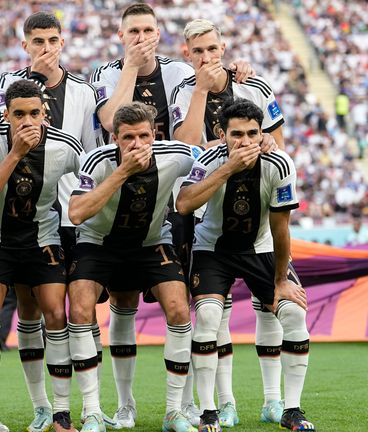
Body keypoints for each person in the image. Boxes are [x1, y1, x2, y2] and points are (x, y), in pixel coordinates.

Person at [90, 5, 253, 426]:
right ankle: (126, 404)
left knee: (199, 304)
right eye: (133, 31)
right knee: (122, 302)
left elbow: (207, 99)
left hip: (180, 199)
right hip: (126, 202)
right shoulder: (106, 74)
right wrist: (130, 66)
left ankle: (213, 400)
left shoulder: (180, 71)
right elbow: (110, 121)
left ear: (160, 33)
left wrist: (235, 72)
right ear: (120, 35)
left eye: (148, 29)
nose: (141, 37)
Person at [168, 19, 287, 427]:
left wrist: (265, 142)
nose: (206, 58)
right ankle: (222, 402)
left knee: (268, 308)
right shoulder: (183, 91)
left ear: (223, 47)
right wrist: (202, 88)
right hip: (202, 213)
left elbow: (279, 146)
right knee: (209, 314)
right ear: (187, 54)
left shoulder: (256, 85)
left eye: (212, 49)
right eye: (197, 52)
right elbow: (185, 148)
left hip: (252, 210)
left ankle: (273, 401)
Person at [0, 12, 107, 432]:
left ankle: (91, 406)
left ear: (63, 43)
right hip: (27, 215)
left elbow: (92, 155)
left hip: (71, 215)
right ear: (25, 45)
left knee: (81, 310)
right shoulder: (6, 88)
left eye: (52, 39)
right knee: (28, 310)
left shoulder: (84, 91)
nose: (46, 47)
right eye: (37, 40)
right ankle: (44, 406)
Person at [176, 98, 315, 432]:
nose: (246, 141)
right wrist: (228, 169)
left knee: (293, 312)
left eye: (253, 133)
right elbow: (184, 204)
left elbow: (281, 228)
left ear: (261, 133)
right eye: (236, 134)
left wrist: (281, 281)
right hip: (213, 249)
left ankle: (290, 409)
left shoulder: (279, 164)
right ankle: (209, 411)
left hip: (262, 247)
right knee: (209, 316)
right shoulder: (209, 159)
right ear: (221, 133)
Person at [68, 102, 198, 432]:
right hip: (99, 243)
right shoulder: (96, 161)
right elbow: (77, 213)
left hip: (151, 242)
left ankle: (174, 412)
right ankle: (95, 410)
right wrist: (123, 171)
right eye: (128, 138)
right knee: (81, 311)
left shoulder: (176, 155)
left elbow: (212, 155)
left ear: (154, 134)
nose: (137, 144)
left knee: (180, 311)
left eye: (144, 136)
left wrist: (265, 142)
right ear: (115, 138)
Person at [0, 79, 82, 432]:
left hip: (42, 238)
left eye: (34, 113)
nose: (27, 120)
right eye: (18, 114)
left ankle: (59, 414)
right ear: (6, 115)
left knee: (53, 314)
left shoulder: (65, 146)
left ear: (45, 114)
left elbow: (94, 177)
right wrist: (16, 153)